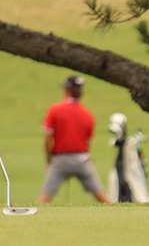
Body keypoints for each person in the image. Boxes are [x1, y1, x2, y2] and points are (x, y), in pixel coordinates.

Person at [37, 75, 112, 204]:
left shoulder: (55, 110)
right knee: (102, 197)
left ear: (66, 90)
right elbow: (87, 141)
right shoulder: (88, 114)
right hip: (82, 160)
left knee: (44, 199)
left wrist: (48, 160)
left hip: (60, 160)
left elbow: (48, 139)